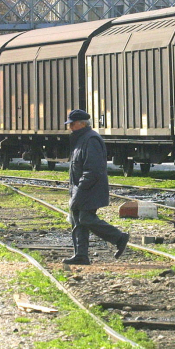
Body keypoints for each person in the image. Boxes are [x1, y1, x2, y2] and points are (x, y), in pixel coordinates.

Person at [63, 109, 129, 266]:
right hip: (81, 187)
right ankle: (80, 255)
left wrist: (80, 189)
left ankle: (119, 238)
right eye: (69, 125)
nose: (70, 127)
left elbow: (93, 169)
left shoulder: (91, 139)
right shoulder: (80, 139)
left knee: (85, 218)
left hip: (89, 189)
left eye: (72, 124)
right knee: (76, 219)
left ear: (83, 124)